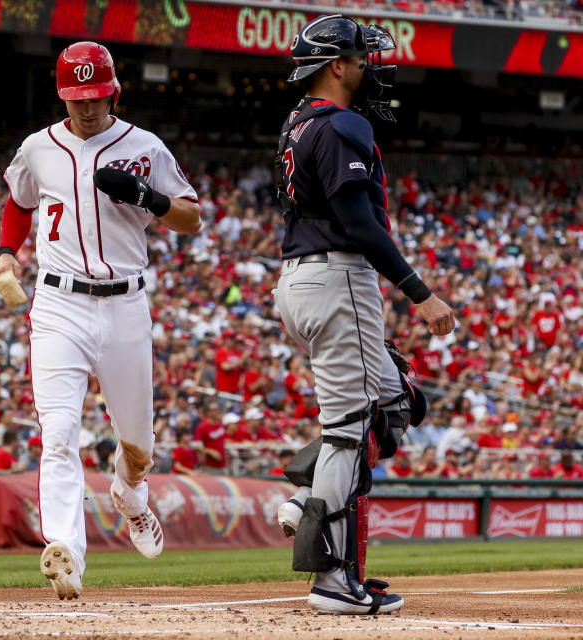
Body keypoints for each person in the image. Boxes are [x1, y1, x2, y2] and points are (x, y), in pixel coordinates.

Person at [0, 41, 201, 600]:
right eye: (76, 97)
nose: (87, 107)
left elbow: (192, 218)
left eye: (96, 95)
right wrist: (7, 253)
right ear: (63, 95)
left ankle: (132, 495)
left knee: (137, 442)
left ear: (114, 91)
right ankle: (66, 555)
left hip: (125, 303)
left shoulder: (144, 146)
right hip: (58, 304)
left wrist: (145, 196)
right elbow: (19, 200)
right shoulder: (40, 147)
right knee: (58, 435)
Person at [270, 15, 455, 616]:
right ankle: (331, 581)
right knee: (351, 429)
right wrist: (419, 291)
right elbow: (358, 223)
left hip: (300, 280)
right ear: (336, 66)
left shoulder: (298, 122)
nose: (367, 67)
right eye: (359, 57)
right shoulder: (341, 122)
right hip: (336, 277)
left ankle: (307, 494)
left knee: (395, 401)